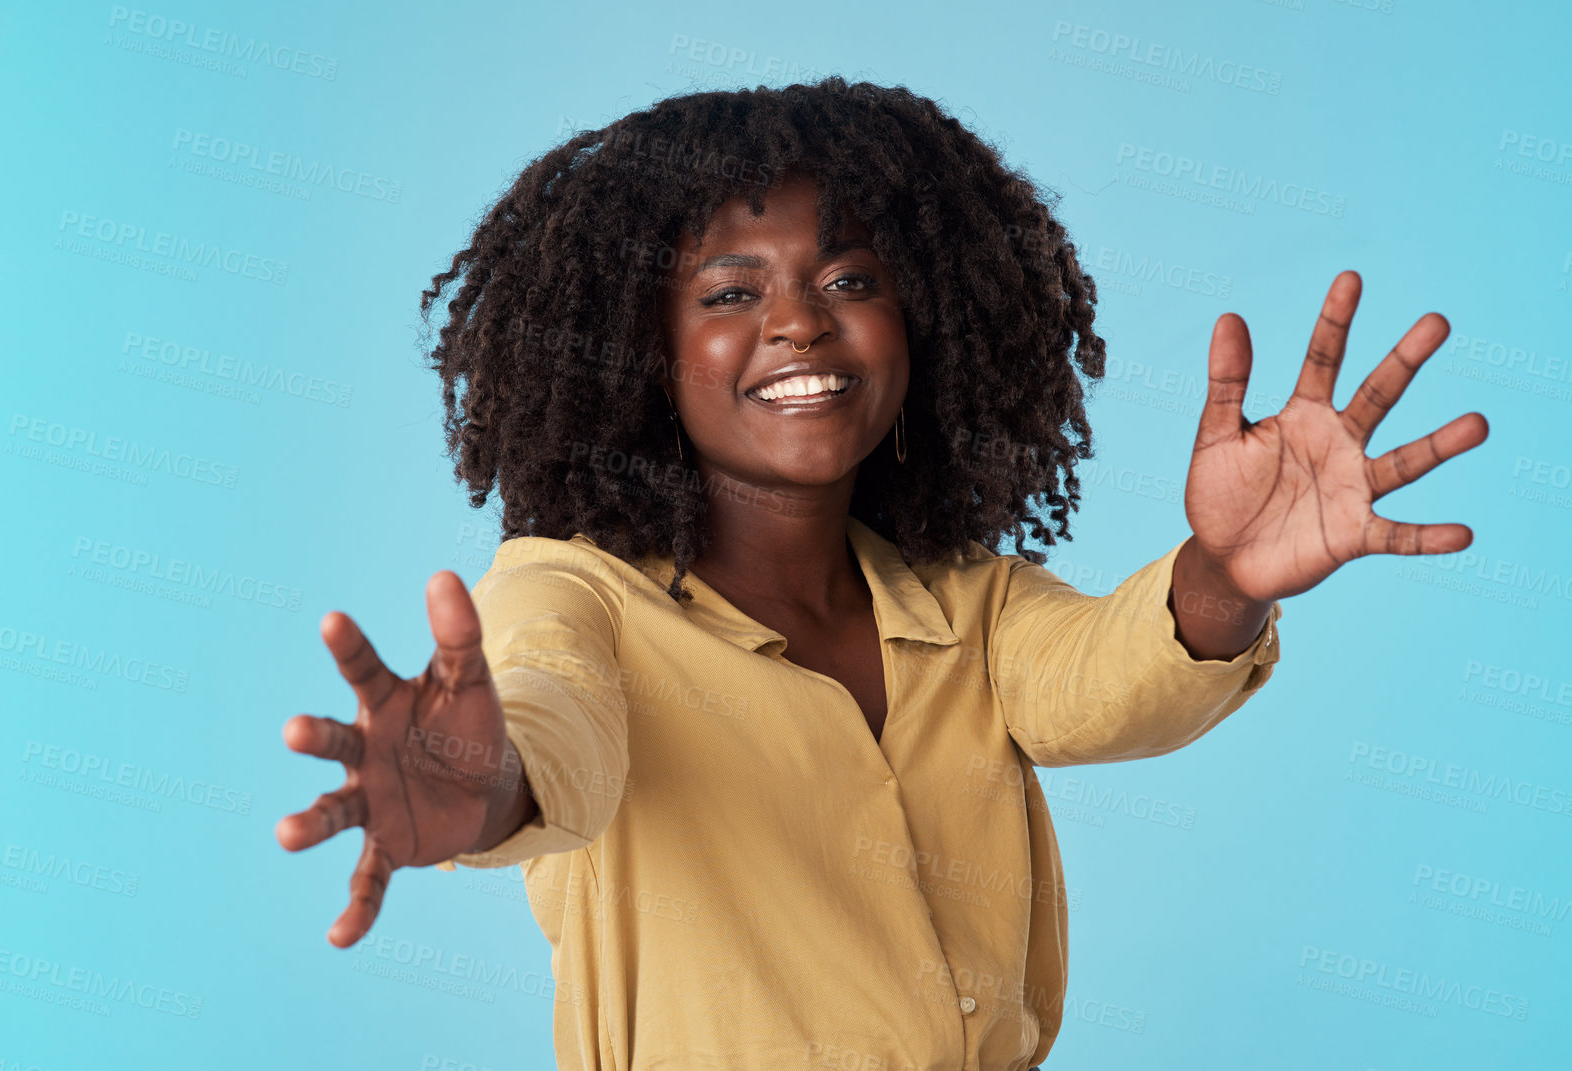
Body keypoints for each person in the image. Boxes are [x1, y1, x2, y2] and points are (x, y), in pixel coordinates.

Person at [274, 77, 1488, 1070]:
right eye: (729, 292)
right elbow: (552, 726)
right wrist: (473, 784)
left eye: (849, 280)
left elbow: (1109, 679)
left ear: (925, 328)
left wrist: (1227, 572)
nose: (799, 321)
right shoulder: (574, 592)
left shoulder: (966, 603)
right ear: (638, 352)